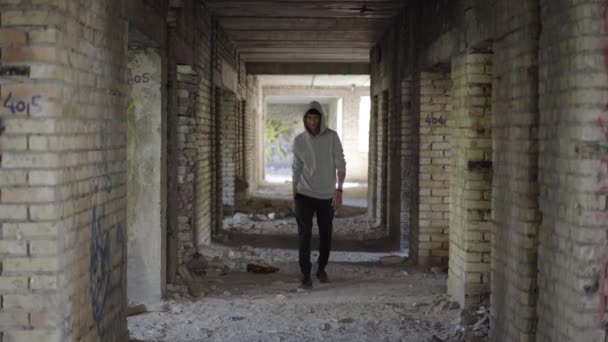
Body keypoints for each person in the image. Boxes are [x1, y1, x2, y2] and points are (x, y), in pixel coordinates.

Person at [292, 101, 346, 289]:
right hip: (304, 194)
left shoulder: (332, 137)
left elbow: (341, 164)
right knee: (304, 234)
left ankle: (321, 268)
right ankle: (305, 273)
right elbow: (296, 168)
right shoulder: (299, 141)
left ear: (321, 118)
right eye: (309, 118)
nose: (312, 122)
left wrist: (339, 190)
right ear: (305, 119)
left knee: (326, 233)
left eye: (315, 118)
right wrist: (294, 194)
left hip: (326, 196)